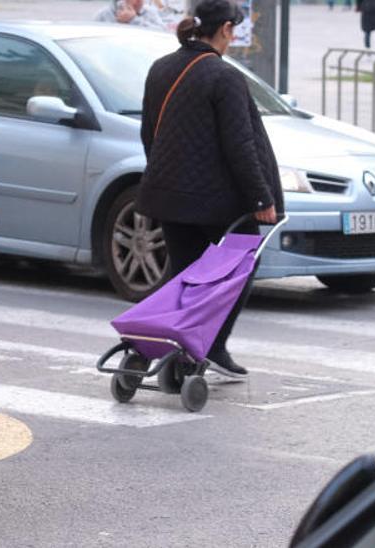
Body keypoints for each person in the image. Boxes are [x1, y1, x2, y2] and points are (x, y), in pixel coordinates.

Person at [138, 0, 284, 380]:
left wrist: (166, 178)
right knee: (237, 272)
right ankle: (211, 344)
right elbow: (241, 144)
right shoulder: (224, 76)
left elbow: (149, 133)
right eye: (233, 29)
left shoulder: (160, 68)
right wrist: (261, 198)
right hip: (219, 204)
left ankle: (176, 357)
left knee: (183, 275)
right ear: (225, 30)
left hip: (170, 196)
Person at [95, 0, 167, 29]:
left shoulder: (149, 12)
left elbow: (162, 32)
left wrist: (134, 20)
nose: (139, 2)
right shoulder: (104, 14)